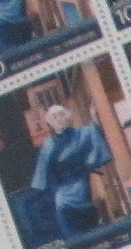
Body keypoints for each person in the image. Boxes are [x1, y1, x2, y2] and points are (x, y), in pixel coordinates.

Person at [30, 102, 115, 240]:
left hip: (82, 186)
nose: (59, 118)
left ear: (67, 116)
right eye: (54, 116)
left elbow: (92, 132)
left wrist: (95, 120)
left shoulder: (80, 134)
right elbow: (43, 172)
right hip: (63, 194)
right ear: (50, 122)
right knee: (73, 234)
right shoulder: (49, 144)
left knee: (93, 232)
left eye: (61, 114)